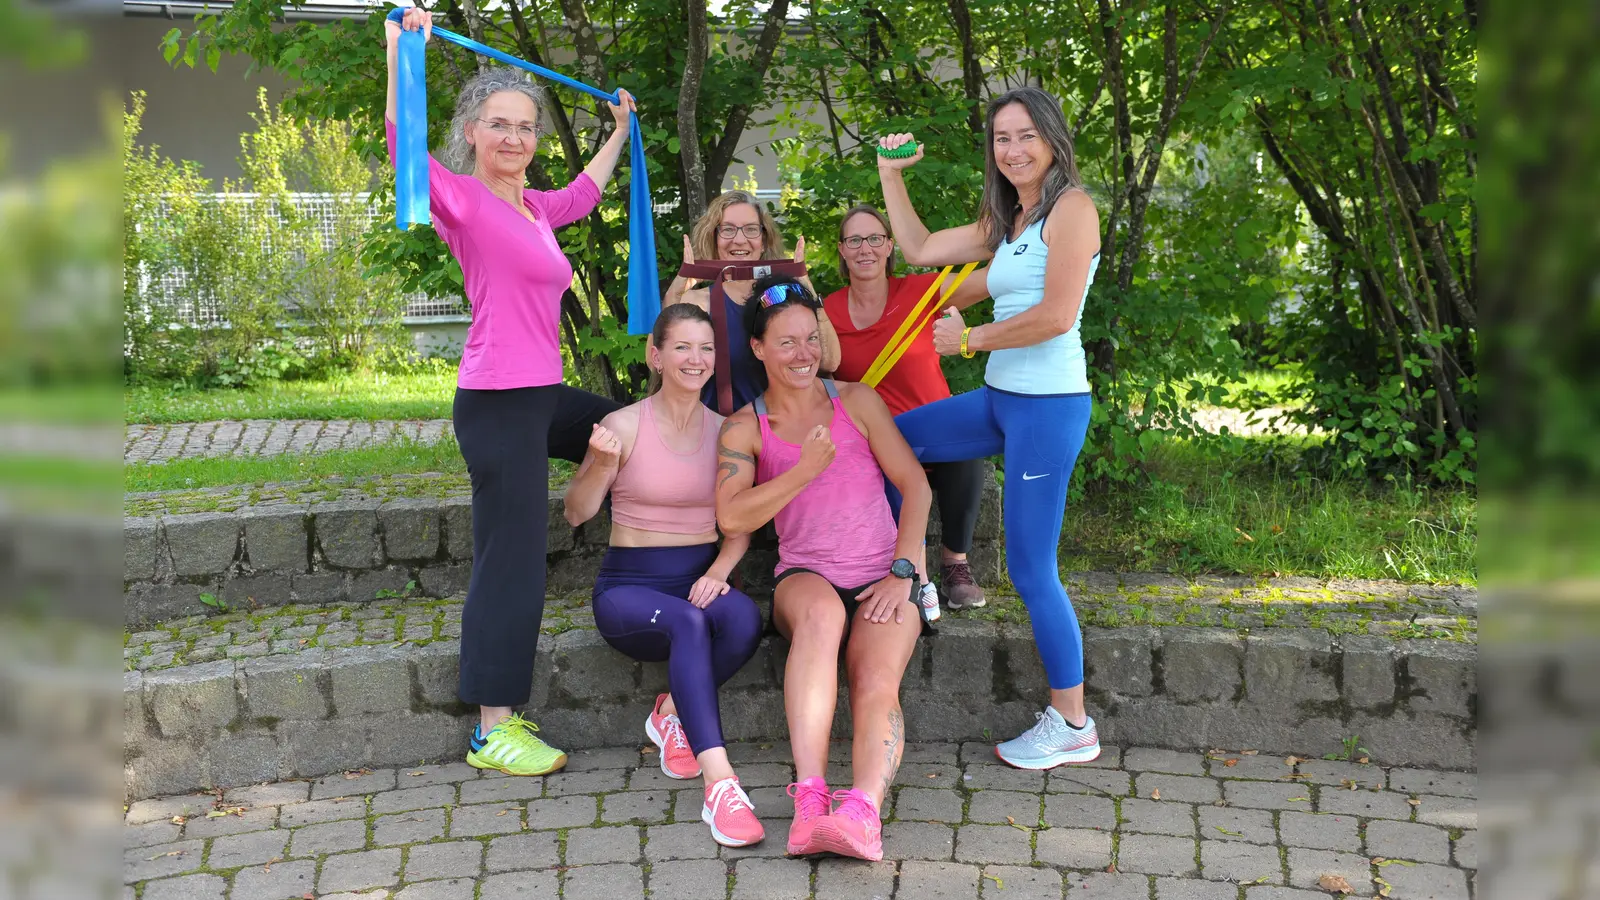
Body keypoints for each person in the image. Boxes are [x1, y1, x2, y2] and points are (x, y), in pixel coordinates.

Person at [384, 9, 635, 776]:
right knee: (513, 559)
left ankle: (638, 557)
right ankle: (493, 728)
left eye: (526, 127)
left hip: (541, 395)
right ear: (472, 131)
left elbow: (584, 193)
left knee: (638, 429)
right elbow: (402, 145)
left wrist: (621, 129)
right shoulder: (463, 199)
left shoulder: (534, 208)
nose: (515, 138)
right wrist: (399, 51)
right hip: (497, 402)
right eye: (499, 124)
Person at [875, 87, 1105, 769]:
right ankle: (912, 570)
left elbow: (1057, 315)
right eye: (1002, 137)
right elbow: (919, 248)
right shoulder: (1009, 218)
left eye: (1027, 135)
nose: (1014, 149)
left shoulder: (1072, 209)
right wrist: (890, 174)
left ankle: (1073, 723)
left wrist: (971, 340)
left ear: (1054, 139)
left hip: (1048, 406)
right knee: (894, 440)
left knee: (1033, 570)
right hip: (1001, 399)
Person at [715, 276, 933, 861]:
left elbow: (915, 485)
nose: (803, 353)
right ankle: (810, 801)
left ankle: (862, 813)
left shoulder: (856, 401)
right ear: (758, 348)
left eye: (810, 338)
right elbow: (732, 516)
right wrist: (804, 470)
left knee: (875, 679)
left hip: (884, 572)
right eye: (786, 342)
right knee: (819, 617)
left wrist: (903, 571)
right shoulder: (744, 426)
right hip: (806, 574)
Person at [563, 303, 766, 847]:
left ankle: (671, 710)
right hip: (628, 588)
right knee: (688, 623)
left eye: (706, 348)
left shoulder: (726, 431)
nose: (695, 359)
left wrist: (720, 571)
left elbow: (740, 520)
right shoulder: (623, 425)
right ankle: (721, 785)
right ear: (656, 356)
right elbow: (577, 513)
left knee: (744, 619)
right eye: (682, 347)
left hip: (695, 577)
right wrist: (602, 464)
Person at [822, 204, 992, 612]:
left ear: (890, 246)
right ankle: (910, 571)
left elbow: (994, 278)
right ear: (842, 250)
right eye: (854, 240)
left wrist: (1020, 230)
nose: (865, 248)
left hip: (932, 434)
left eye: (874, 238)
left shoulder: (922, 292)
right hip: (871, 440)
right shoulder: (825, 311)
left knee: (967, 450)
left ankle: (955, 562)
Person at [663, 190, 842, 413]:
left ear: (764, 241)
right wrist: (675, 292)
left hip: (779, 428)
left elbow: (830, 361)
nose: (739, 240)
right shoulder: (695, 303)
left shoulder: (782, 298)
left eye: (750, 229)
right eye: (728, 229)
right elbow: (656, 364)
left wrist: (806, 286)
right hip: (712, 428)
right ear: (714, 238)